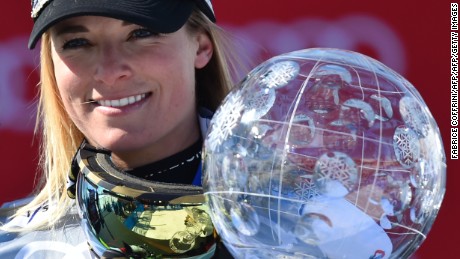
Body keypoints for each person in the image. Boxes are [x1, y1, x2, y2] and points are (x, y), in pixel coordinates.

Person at [0, 0, 243, 258]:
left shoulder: (285, 226)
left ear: (201, 47)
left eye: (140, 33)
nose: (110, 71)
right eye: (77, 42)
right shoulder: (12, 247)